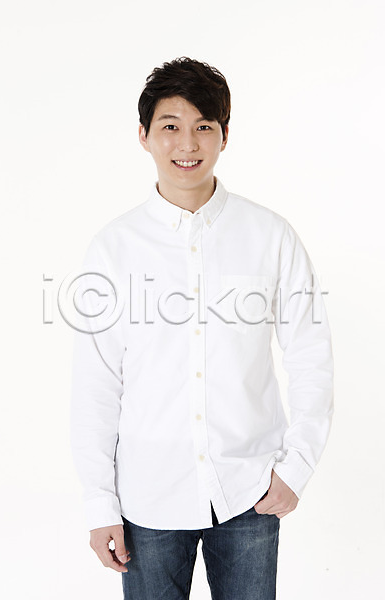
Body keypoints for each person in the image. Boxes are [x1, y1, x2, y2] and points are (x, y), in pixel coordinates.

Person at [70, 56, 334, 599]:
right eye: (170, 126)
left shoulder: (270, 236)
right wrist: (99, 503)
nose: (187, 144)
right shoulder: (113, 248)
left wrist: (297, 467)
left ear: (224, 136)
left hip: (249, 493)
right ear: (144, 136)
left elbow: (311, 356)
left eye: (204, 127)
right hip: (147, 498)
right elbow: (96, 384)